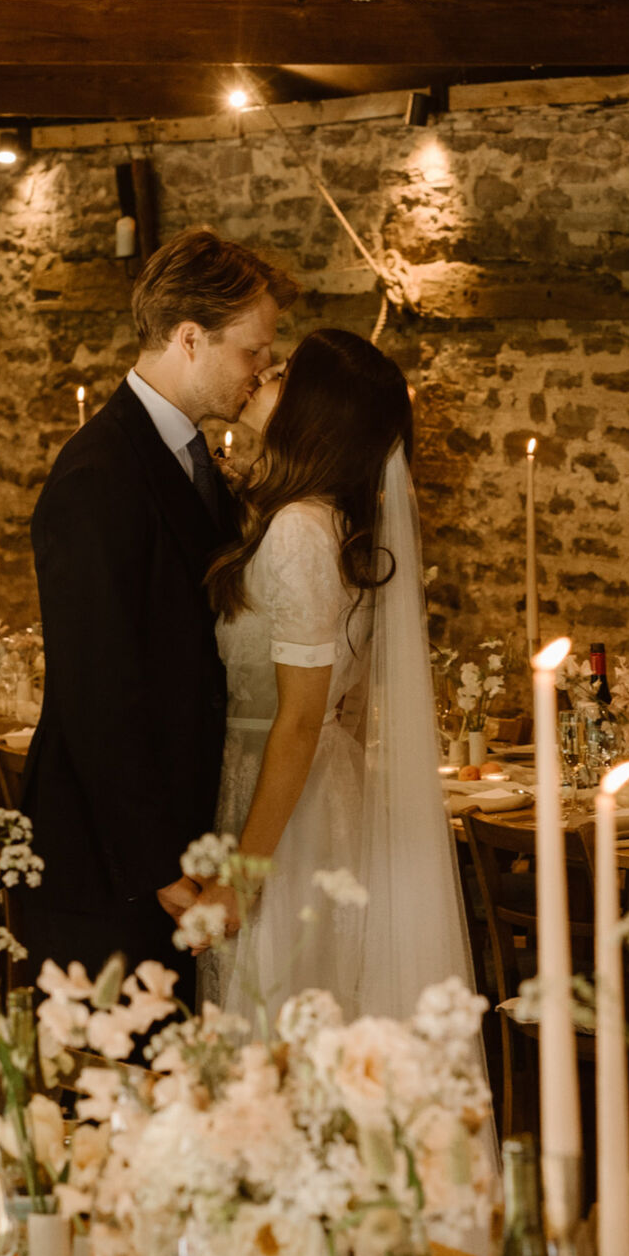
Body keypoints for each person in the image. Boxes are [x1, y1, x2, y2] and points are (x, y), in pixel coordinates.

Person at [19, 230, 287, 989]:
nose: (263, 369)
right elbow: (95, 691)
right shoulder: (98, 477)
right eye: (252, 352)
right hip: (110, 865)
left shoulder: (192, 457)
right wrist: (159, 865)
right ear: (189, 339)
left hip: (179, 834)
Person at [197, 327, 476, 1023]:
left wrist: (244, 878)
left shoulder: (297, 530)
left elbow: (298, 719)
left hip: (283, 809)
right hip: (311, 792)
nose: (265, 373)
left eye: (287, 372)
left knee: (274, 1018)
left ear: (317, 412)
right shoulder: (320, 523)